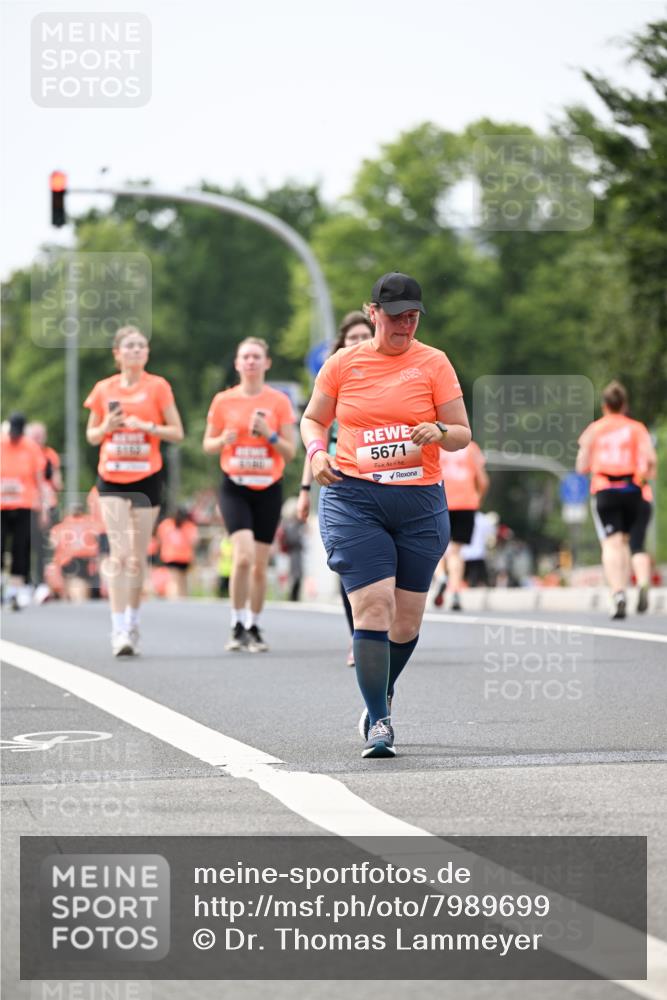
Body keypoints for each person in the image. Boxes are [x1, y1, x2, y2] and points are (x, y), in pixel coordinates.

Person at [301, 272, 470, 758]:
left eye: (414, 316)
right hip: (354, 497)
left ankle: (384, 687)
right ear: (372, 312)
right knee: (374, 605)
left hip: (419, 503)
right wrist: (316, 453)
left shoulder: (434, 363)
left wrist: (438, 430)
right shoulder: (342, 364)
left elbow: (462, 432)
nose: (406, 324)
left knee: (407, 622)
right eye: (397, 316)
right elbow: (314, 418)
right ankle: (380, 721)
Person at [84, 326, 184, 655]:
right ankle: (118, 629)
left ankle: (132, 619)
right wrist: (107, 426)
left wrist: (148, 427)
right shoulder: (103, 389)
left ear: (147, 353)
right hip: (111, 477)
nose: (136, 351)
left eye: (141, 346)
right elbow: (92, 436)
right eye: (129, 346)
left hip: (147, 476)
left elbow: (177, 432)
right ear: (117, 353)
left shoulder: (158, 387)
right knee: (119, 553)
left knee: (137, 557)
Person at [203, 337, 296, 652]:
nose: (251, 362)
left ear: (267, 363)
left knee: (259, 563)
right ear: (238, 363)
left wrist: (268, 435)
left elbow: (291, 450)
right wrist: (223, 440)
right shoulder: (223, 401)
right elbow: (208, 444)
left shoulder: (279, 402)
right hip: (235, 485)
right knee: (241, 556)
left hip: (269, 486)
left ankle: (254, 625)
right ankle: (236, 623)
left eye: (257, 356)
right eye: (246, 357)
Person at [297, 310, 374, 665]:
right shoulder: (334, 381)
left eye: (365, 337)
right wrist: (303, 490)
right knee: (352, 566)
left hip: (386, 484)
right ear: (342, 344)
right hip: (341, 483)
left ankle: (379, 631)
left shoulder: (390, 379)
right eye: (352, 338)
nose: (359, 344)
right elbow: (316, 434)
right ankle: (359, 636)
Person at [576, 380, 653, 620]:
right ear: (624, 404)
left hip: (605, 489)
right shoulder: (637, 428)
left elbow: (581, 466)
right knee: (635, 543)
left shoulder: (594, 429)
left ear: (604, 405)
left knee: (612, 543)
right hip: (633, 488)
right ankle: (642, 582)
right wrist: (642, 477)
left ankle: (618, 592)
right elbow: (650, 459)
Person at [432, 440, 489, 610]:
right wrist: (477, 500)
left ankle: (441, 577)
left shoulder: (434, 446)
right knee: (456, 551)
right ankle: (456, 591)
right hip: (466, 504)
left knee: (437, 549)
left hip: (440, 502)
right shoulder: (471, 447)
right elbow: (483, 481)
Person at [1, 412, 48, 609]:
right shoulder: (2, 443)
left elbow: (40, 480)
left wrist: (44, 507)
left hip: (24, 504)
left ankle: (17, 588)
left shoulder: (31, 448)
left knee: (21, 546)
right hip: (2, 504)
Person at [26, 421, 63, 599]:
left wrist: (50, 477)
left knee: (46, 547)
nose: (38, 439)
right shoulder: (23, 454)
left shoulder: (50, 455)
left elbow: (58, 483)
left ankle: (44, 583)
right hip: (29, 504)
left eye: (41, 435)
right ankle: (27, 582)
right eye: (35, 435)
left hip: (48, 504)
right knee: (27, 544)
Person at [49, 502, 100, 602]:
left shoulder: (61, 526)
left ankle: (74, 602)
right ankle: (79, 602)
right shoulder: (90, 523)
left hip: (68, 559)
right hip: (86, 557)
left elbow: (53, 542)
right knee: (82, 583)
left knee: (73, 583)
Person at [156, 507, 199, 598]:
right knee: (182, 580)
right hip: (184, 557)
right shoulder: (189, 526)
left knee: (174, 580)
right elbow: (194, 542)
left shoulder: (166, 524)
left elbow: (160, 538)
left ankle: (174, 598)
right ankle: (182, 597)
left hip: (171, 556)